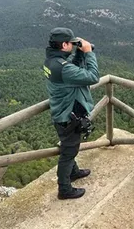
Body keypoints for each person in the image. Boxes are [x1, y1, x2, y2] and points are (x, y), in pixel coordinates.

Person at [43, 27, 99, 200]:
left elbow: (70, 70)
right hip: (68, 117)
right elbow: (93, 76)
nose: (73, 46)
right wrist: (88, 53)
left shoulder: (51, 62)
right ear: (64, 44)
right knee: (68, 153)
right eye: (71, 44)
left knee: (71, 149)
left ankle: (73, 173)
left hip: (62, 113)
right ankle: (64, 189)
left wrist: (79, 54)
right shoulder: (63, 68)